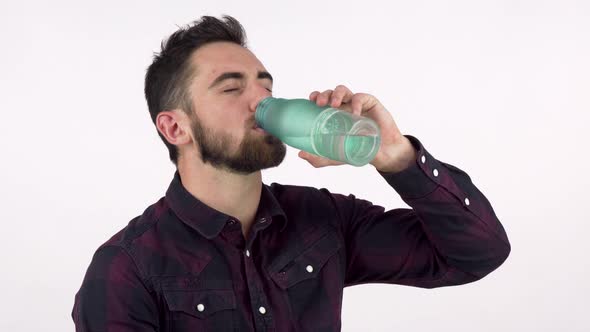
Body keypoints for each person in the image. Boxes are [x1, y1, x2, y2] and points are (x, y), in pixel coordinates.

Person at [72, 15, 511, 332]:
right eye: (231, 88)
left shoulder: (323, 219)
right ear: (174, 127)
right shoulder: (128, 268)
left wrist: (395, 155)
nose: (260, 101)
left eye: (266, 86)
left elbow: (476, 254)